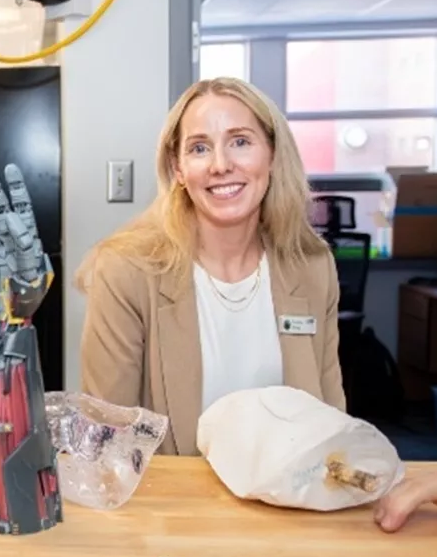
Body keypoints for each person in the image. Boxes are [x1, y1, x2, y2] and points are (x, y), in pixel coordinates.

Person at [75, 76, 342, 456]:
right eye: (200, 148)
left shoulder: (312, 268)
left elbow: (331, 420)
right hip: (175, 508)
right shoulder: (125, 271)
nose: (221, 165)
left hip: (293, 503)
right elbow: (109, 441)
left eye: (240, 142)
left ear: (273, 153)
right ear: (179, 168)